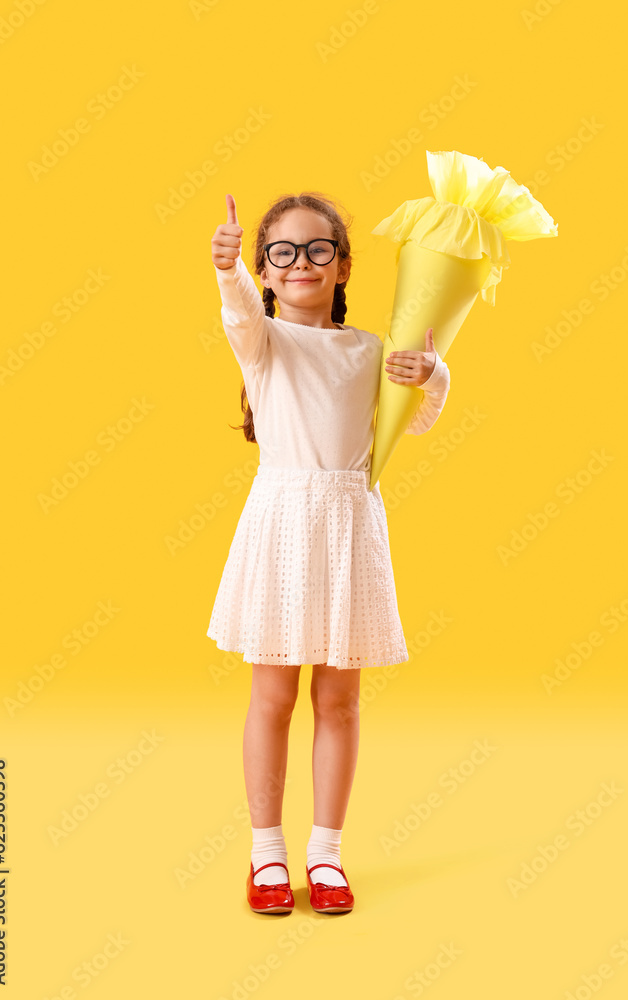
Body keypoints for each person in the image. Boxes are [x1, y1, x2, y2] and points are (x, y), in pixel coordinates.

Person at [207, 191, 450, 914]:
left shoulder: (371, 349)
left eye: (318, 249)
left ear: (343, 266)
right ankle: (267, 854)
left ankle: (326, 856)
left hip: (348, 525)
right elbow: (238, 313)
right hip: (282, 522)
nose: (301, 262)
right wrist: (227, 270)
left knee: (338, 702)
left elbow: (422, 417)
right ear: (267, 272)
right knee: (274, 697)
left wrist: (431, 374)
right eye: (282, 252)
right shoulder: (265, 341)